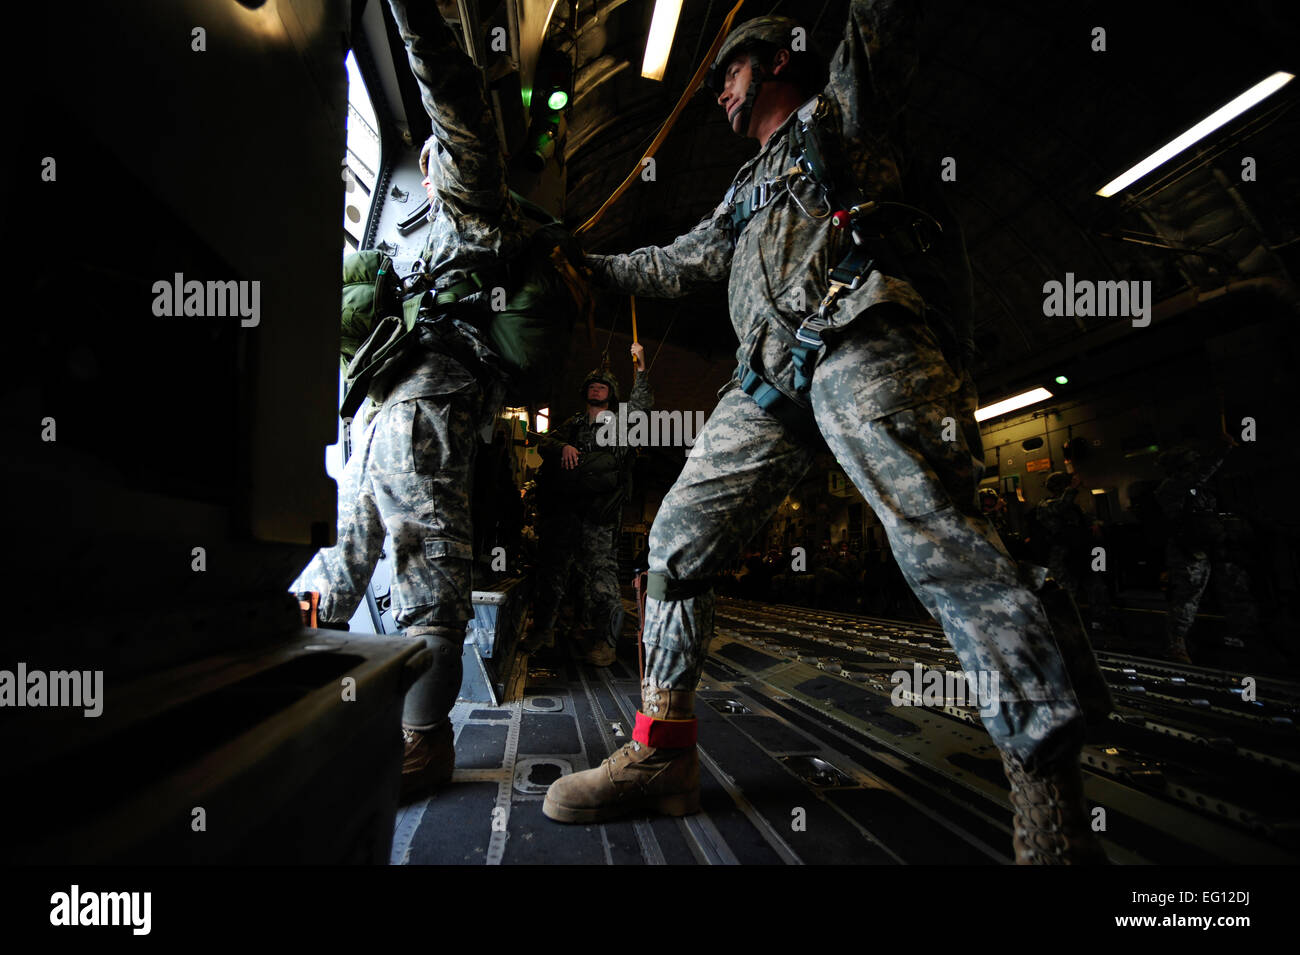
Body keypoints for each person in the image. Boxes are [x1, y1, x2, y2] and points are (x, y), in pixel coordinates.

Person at [542, 1, 1106, 863]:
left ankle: (1053, 816)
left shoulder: (845, 107)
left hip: (863, 338)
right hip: (768, 383)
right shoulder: (740, 191)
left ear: (772, 62)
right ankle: (663, 752)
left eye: (728, 75)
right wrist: (581, 261)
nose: (719, 96)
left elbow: (885, 18)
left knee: (942, 546)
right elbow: (675, 263)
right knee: (674, 543)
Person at [292, 0, 549, 801]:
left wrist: (411, 13)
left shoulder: (478, 203)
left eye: (438, 152)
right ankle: (306, 692)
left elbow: (456, 93)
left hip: (434, 400)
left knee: (427, 567)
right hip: (385, 405)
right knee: (347, 551)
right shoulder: (418, 232)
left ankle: (423, 744)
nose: (432, 162)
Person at [525, 343, 652, 665]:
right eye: (593, 386)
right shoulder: (574, 424)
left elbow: (642, 405)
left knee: (601, 577)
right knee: (551, 573)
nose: (597, 389)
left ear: (611, 393)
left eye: (603, 386)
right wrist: (563, 446)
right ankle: (543, 631)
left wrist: (640, 368)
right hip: (564, 511)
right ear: (586, 392)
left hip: (601, 514)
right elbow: (544, 441)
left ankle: (605, 641)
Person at [1156, 435, 1254, 661]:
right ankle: (1176, 644)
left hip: (1210, 545)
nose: (1195, 467)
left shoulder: (1198, 489)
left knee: (1234, 587)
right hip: (1187, 549)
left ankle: (1240, 637)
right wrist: (1223, 450)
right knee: (1187, 595)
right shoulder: (1172, 487)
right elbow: (1199, 477)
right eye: (1190, 463)